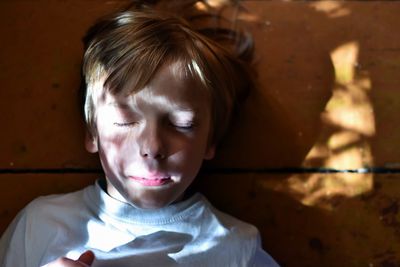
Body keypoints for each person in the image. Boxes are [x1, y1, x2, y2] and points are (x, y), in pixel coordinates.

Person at [0, 1, 279, 266]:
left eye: (182, 124)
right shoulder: (41, 225)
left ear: (211, 140)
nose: (153, 146)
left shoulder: (237, 248)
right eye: (125, 120)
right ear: (92, 133)